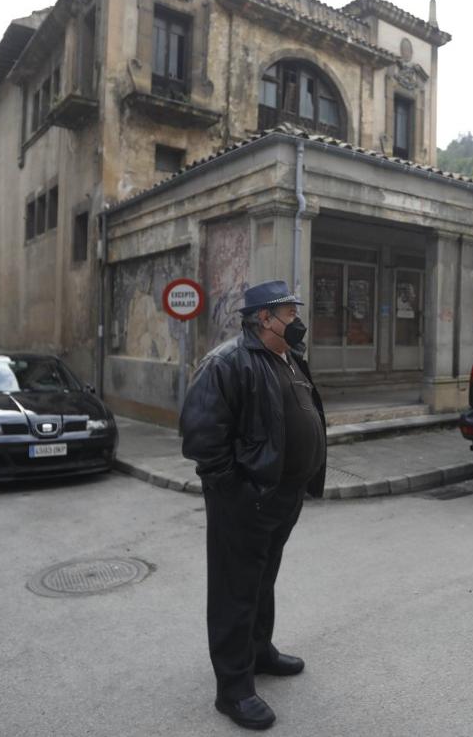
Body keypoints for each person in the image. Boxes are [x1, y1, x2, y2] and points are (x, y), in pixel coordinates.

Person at [180, 279, 327, 731]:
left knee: (263, 580)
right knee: (234, 591)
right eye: (289, 314)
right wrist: (238, 494)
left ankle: (259, 652)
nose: (297, 321)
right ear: (264, 317)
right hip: (246, 500)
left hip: (283, 496)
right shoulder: (227, 362)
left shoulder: (288, 358)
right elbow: (203, 441)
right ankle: (234, 690)